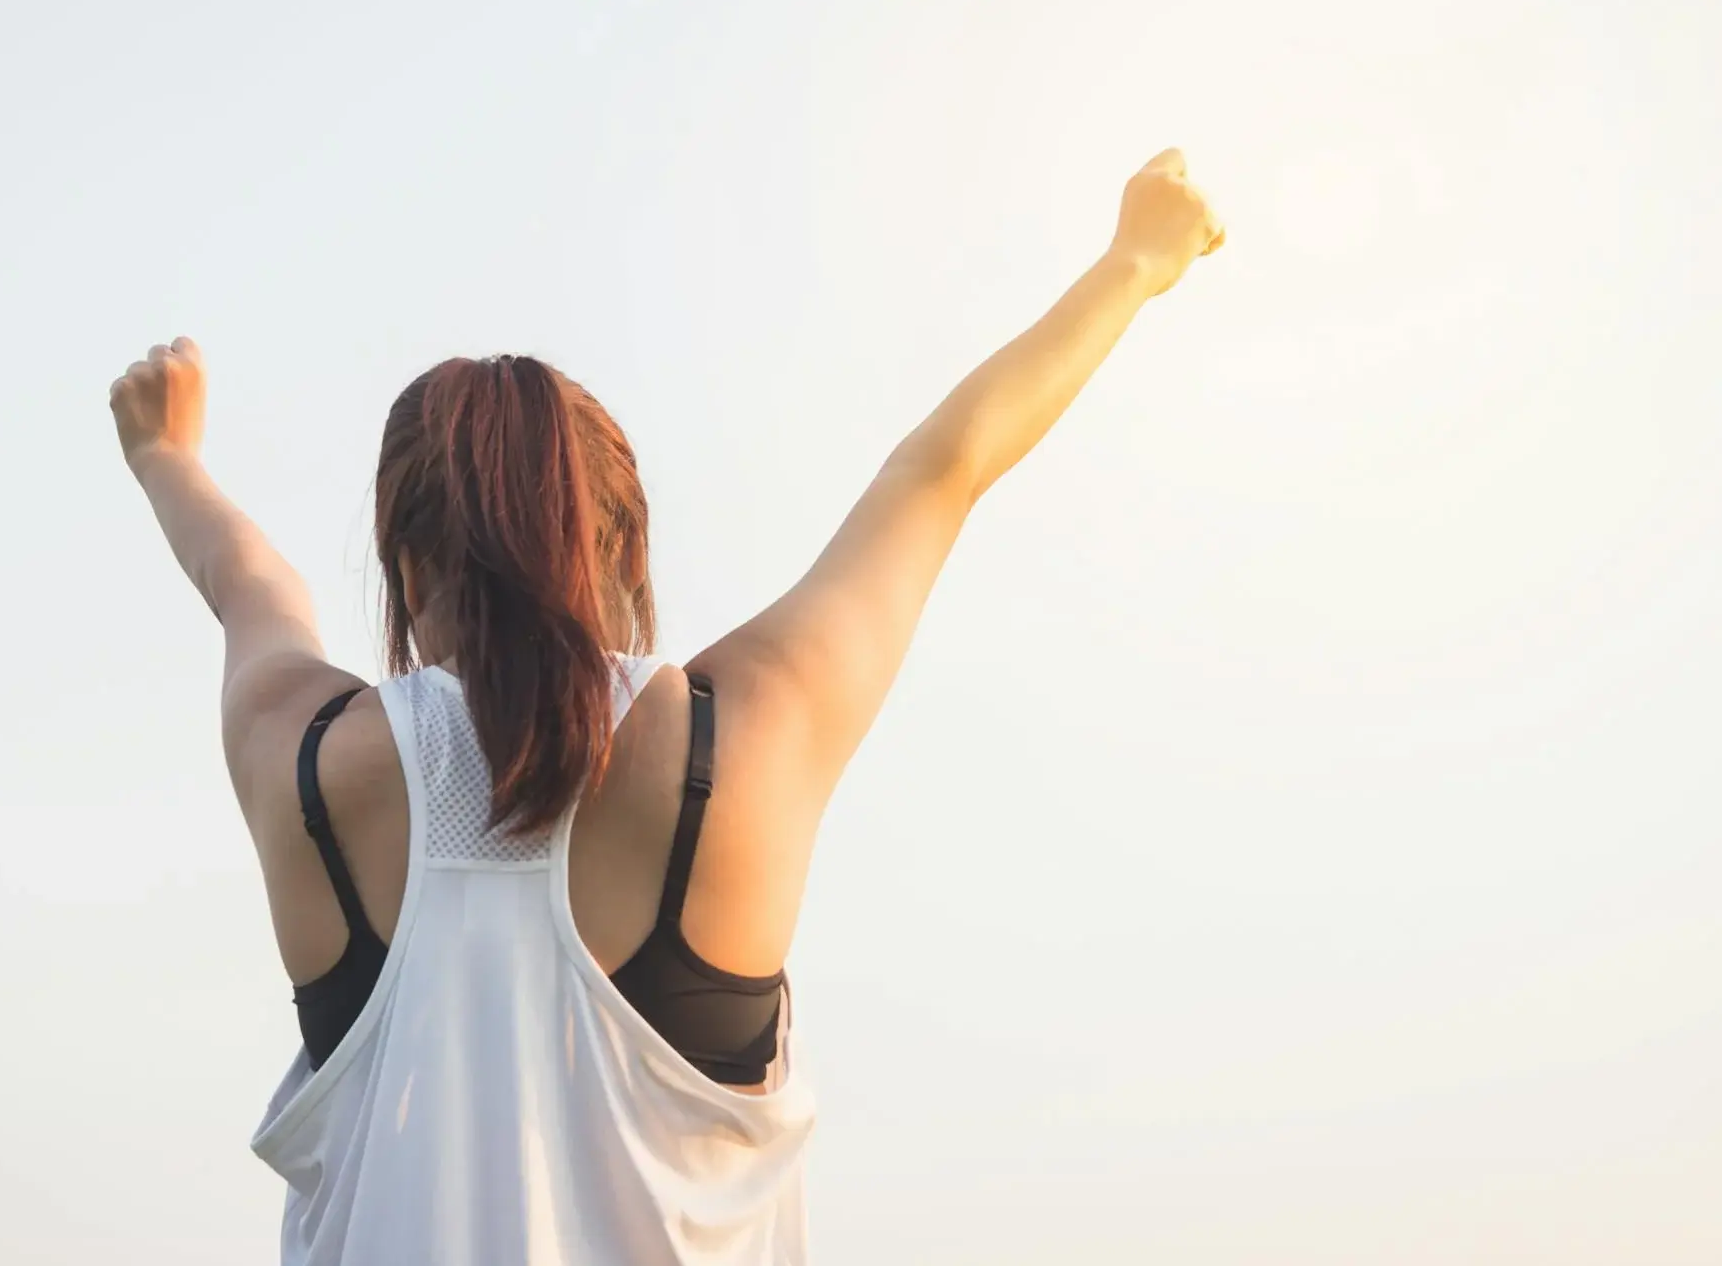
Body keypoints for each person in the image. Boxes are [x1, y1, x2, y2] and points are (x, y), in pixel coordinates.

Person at [109, 149, 1227, 1265]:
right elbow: (940, 471)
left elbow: (249, 585)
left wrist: (166, 454)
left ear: (403, 569)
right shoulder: (744, 739)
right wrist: (1134, 263)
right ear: (622, 550)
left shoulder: (304, 766)